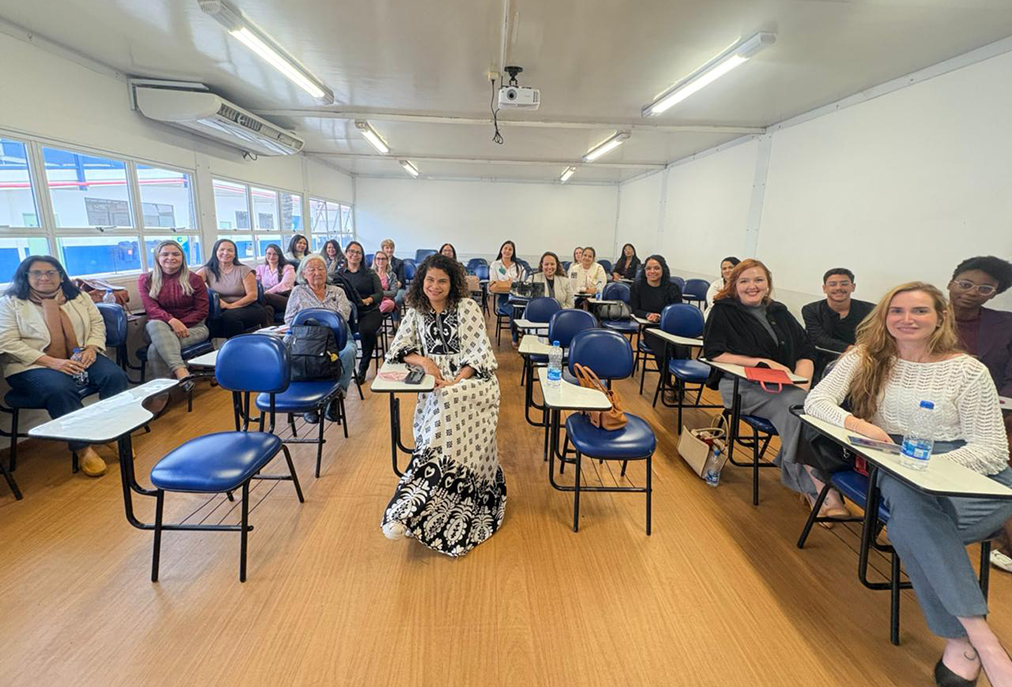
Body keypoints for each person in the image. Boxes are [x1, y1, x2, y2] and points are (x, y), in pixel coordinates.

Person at [803, 282, 1012, 687]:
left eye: (919, 311)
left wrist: (931, 469)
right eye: (896, 311)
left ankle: (962, 640)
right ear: (884, 317)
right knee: (913, 508)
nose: (907, 319)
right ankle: (981, 640)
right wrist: (858, 424)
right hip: (895, 459)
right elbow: (817, 401)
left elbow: (991, 449)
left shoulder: (968, 370)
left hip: (970, 472)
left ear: (940, 317)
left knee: (909, 527)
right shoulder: (866, 356)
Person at [381, 254, 506, 556]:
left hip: (474, 382)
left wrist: (456, 381)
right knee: (441, 407)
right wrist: (424, 361)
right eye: (430, 280)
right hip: (434, 383)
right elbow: (399, 349)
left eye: (442, 281)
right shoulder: (416, 310)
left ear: (452, 284)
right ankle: (415, 506)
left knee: (448, 400)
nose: (435, 286)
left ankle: (411, 506)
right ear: (421, 282)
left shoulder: (467, 307)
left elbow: (479, 354)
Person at [703, 259, 832, 512]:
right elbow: (714, 353)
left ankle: (800, 468)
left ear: (768, 284)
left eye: (758, 280)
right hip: (741, 385)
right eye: (744, 281)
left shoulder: (779, 311)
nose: (752, 286)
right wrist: (762, 362)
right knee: (795, 408)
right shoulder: (723, 311)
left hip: (786, 387)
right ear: (734, 285)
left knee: (812, 407)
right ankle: (817, 489)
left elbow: (805, 350)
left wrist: (803, 385)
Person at [0, 256, 130, 477]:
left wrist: (91, 348)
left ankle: (110, 432)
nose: (44, 277)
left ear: (61, 276)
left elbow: (97, 324)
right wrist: (51, 361)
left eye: (51, 272)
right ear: (25, 277)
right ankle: (82, 448)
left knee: (115, 376)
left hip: (79, 355)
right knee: (60, 389)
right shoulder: (9, 302)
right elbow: (7, 342)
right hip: (31, 364)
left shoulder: (78, 297)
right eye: (36, 273)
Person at [947, 256, 1012, 573]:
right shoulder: (923, 315)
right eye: (966, 283)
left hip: (996, 411)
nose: (973, 292)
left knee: (1005, 457)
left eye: (985, 288)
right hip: (937, 411)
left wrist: (1003, 408)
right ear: (951, 283)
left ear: (995, 293)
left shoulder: (1006, 324)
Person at [284, 254, 356, 410]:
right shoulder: (298, 292)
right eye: (312, 269)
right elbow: (289, 318)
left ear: (326, 271)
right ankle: (306, 399)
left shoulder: (337, 291)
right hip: (306, 339)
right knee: (291, 353)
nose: (317, 273)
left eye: (321, 269)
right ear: (303, 273)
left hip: (337, 337)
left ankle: (336, 397)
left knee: (348, 352)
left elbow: (344, 315)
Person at [139, 240, 210, 388]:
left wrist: (180, 324)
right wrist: (172, 322)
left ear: (182, 257)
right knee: (155, 323)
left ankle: (162, 392)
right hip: (157, 329)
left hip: (194, 328)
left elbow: (202, 311)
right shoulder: (145, 280)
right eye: (165, 254)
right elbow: (151, 309)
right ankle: (181, 372)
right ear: (157, 258)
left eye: (175, 254)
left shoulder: (195, 279)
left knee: (155, 349)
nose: (170, 258)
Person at [801, 268, 875, 379]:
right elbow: (819, 339)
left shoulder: (871, 310)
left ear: (853, 287)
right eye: (833, 284)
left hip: (860, 362)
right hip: (822, 360)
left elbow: (874, 338)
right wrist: (852, 349)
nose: (838, 288)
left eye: (844, 284)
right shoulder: (811, 310)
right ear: (824, 288)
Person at [197, 238, 267, 338]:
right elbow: (193, 284)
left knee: (229, 317)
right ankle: (217, 346)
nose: (225, 253)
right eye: (222, 250)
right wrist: (218, 301)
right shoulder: (207, 270)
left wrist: (230, 306)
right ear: (216, 252)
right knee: (209, 318)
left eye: (230, 250)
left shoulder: (244, 270)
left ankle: (237, 345)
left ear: (235, 254)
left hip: (248, 307)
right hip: (221, 308)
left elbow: (253, 296)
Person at [339, 241, 384, 383]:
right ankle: (339, 369)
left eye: (358, 252)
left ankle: (363, 368)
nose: (355, 255)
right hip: (348, 313)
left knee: (366, 331)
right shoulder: (339, 274)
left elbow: (380, 294)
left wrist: (367, 300)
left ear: (362, 256)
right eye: (351, 251)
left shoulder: (370, 273)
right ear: (346, 254)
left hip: (369, 311)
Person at [631, 255, 683, 368]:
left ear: (663, 269)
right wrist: (647, 315)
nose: (652, 271)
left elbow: (677, 311)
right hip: (651, 328)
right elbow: (635, 309)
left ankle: (679, 378)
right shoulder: (637, 286)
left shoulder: (673, 288)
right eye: (648, 268)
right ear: (644, 270)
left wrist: (661, 317)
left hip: (672, 327)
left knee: (681, 349)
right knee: (662, 348)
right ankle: (665, 377)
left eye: (656, 268)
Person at [490, 240, 523, 347]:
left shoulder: (518, 266)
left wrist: (504, 283)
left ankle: (524, 334)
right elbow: (493, 283)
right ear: (501, 250)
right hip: (503, 298)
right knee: (514, 311)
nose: (507, 251)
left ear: (513, 252)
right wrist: (510, 283)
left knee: (526, 310)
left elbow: (521, 283)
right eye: (505, 248)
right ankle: (515, 338)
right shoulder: (495, 264)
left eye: (510, 249)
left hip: (517, 296)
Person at [254, 244, 295, 316]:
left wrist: (267, 292)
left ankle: (252, 314)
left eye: (275, 254)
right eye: (269, 254)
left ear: (279, 256)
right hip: (268, 299)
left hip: (286, 298)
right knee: (268, 309)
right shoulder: (261, 268)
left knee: (265, 297)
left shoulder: (288, 268)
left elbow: (283, 285)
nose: (271, 256)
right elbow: (254, 283)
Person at [380, 239, 406, 311]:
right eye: (387, 248)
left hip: (398, 288)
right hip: (383, 289)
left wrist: (390, 291)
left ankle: (396, 318)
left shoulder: (399, 262)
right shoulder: (378, 262)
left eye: (391, 248)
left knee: (396, 300)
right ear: (383, 249)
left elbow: (400, 281)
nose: (390, 250)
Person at [372, 250, 401, 315]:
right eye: (378, 259)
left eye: (383, 259)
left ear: (387, 261)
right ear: (375, 260)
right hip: (372, 300)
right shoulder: (370, 273)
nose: (381, 261)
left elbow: (394, 292)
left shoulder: (392, 275)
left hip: (385, 301)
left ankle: (374, 314)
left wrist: (380, 293)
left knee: (390, 304)